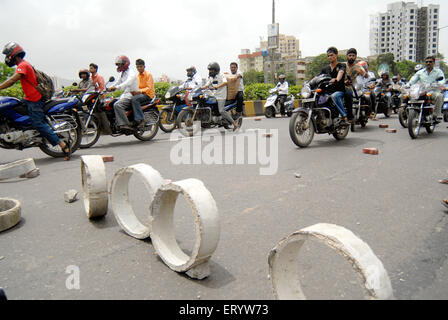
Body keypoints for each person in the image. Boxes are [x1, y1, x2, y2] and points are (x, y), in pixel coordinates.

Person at [0, 42, 71, 160]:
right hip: (29, 99)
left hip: (35, 100)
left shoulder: (23, 65)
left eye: (8, 55)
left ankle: (63, 145)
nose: (7, 58)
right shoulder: (23, 65)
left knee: (37, 123)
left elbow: (12, 80)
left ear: (13, 54)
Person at [202, 62, 239, 131]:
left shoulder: (221, 75)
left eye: (212, 70)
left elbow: (225, 82)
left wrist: (216, 87)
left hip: (221, 96)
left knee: (221, 110)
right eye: (209, 70)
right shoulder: (211, 77)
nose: (210, 71)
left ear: (216, 70)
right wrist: (201, 88)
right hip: (214, 95)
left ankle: (235, 124)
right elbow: (207, 85)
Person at [408, 56, 446, 123]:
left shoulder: (438, 71)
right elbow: (412, 80)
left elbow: (442, 80)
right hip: (422, 92)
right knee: (408, 96)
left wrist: (439, 84)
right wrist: (407, 85)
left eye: (430, 62)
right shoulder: (420, 72)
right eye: (427, 62)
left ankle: (437, 115)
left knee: (439, 96)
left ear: (433, 63)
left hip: (432, 91)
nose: (428, 63)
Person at [107, 55, 139, 131]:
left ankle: (125, 124)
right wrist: (109, 88)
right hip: (125, 94)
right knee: (109, 103)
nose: (118, 66)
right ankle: (115, 122)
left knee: (117, 105)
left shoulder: (131, 72)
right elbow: (118, 82)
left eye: (119, 64)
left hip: (131, 94)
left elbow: (128, 82)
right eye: (117, 65)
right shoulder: (123, 73)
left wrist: (117, 87)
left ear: (125, 63)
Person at [319, 47, 348, 125]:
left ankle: (344, 116)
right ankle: (324, 117)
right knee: (319, 98)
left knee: (334, 96)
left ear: (336, 55)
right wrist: (309, 83)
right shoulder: (325, 68)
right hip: (328, 91)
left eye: (331, 55)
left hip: (339, 91)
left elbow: (341, 72)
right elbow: (318, 76)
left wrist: (336, 79)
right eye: (328, 56)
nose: (330, 57)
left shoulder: (341, 65)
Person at [130, 59, 155, 129]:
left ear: (144, 66)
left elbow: (149, 88)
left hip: (148, 95)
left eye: (141, 66)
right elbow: (136, 87)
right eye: (137, 67)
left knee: (135, 99)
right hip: (140, 94)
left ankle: (140, 119)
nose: (139, 68)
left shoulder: (148, 75)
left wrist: (139, 91)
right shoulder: (137, 76)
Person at [344, 48, 366, 122]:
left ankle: (350, 115)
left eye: (353, 55)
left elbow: (366, 75)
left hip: (351, 87)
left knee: (349, 94)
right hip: (340, 86)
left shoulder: (358, 67)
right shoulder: (342, 65)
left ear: (355, 57)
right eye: (349, 55)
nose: (351, 57)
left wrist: (363, 74)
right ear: (347, 56)